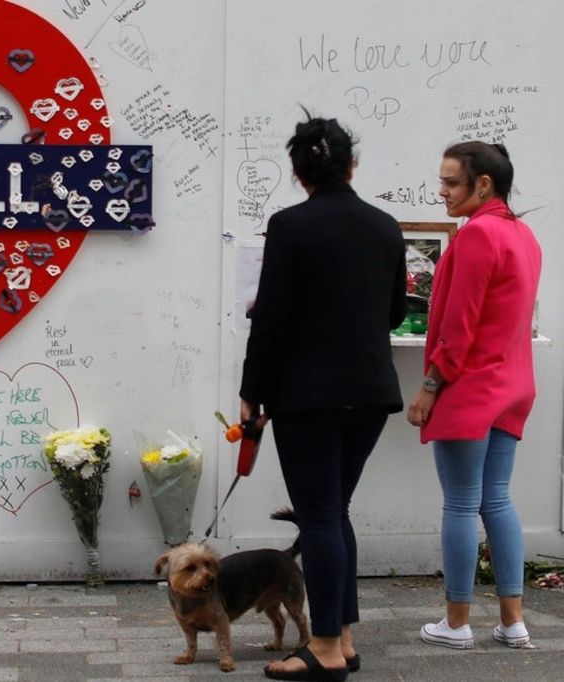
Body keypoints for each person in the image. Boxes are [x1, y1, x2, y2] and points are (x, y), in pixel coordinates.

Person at [240, 112, 406, 681]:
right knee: (333, 512)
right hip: (369, 391)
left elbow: (271, 321)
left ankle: (327, 649)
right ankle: (345, 639)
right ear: (351, 165)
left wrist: (251, 393)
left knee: (319, 516)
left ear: (297, 171)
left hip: (307, 395)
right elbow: (395, 313)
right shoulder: (386, 226)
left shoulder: (289, 226)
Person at [408, 141, 542, 650]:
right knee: (498, 500)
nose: (440, 191)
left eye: (450, 182)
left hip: (471, 388)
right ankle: (513, 622)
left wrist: (428, 387)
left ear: (482, 184)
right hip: (512, 385)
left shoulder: (477, 235)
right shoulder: (523, 235)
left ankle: (457, 624)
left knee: (462, 504)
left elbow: (458, 327)